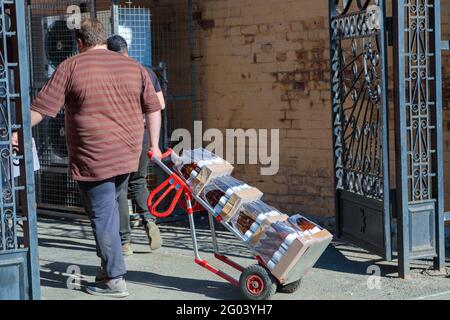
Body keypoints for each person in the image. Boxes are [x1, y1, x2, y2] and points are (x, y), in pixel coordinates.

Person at [24, 18, 162, 298]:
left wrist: (16, 131)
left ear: (78, 41)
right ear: (103, 38)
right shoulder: (135, 67)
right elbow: (154, 107)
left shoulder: (70, 66)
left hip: (93, 157)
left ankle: (114, 279)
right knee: (110, 211)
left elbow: (42, 110)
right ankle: (108, 268)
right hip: (128, 155)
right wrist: (155, 145)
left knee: (102, 217)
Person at [106, 34, 165, 256]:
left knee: (119, 188)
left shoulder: (111, 73)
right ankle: (150, 221)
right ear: (127, 49)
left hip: (118, 136)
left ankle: (125, 242)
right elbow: (160, 104)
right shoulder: (146, 70)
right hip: (141, 135)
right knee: (138, 181)